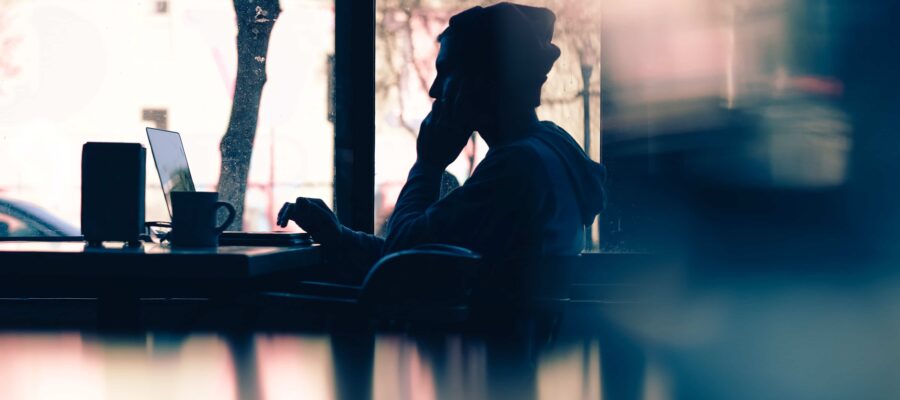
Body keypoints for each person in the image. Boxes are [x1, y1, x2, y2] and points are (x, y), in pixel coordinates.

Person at [277, 2, 606, 279]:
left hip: (473, 349)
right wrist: (338, 236)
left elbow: (401, 258)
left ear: (486, 80)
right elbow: (424, 249)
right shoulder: (549, 148)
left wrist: (428, 164)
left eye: (447, 72)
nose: (435, 90)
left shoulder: (516, 167)